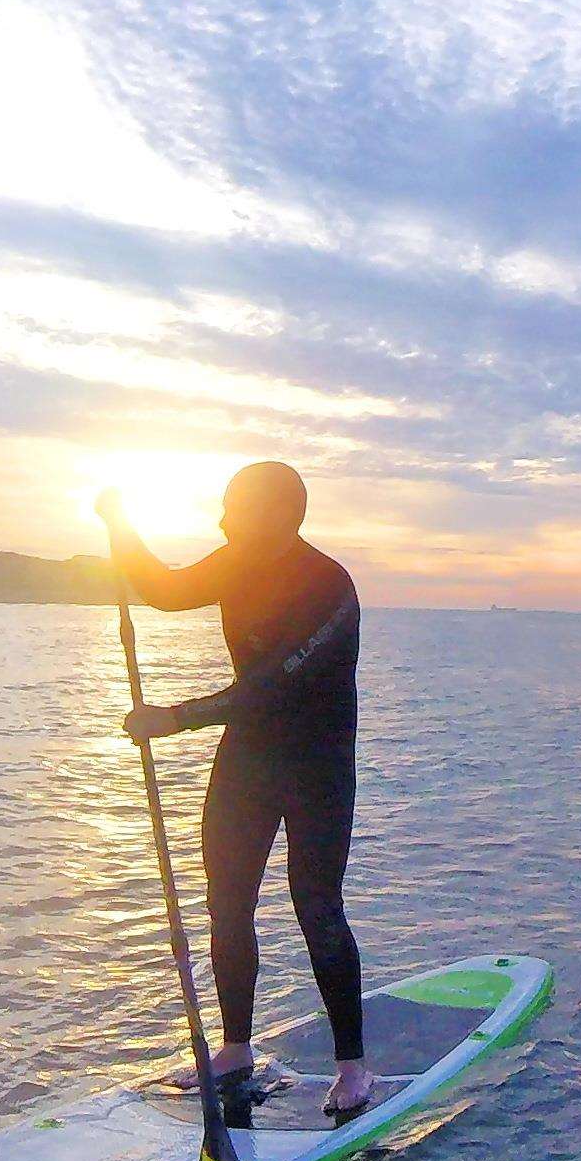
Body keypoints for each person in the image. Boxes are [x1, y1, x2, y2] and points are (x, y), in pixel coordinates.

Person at [95, 463, 373, 1116]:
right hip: (248, 759)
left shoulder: (328, 587)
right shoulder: (235, 561)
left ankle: (353, 1068)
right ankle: (235, 1049)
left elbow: (272, 684)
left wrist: (175, 716)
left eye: (233, 509)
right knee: (227, 902)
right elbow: (163, 590)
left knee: (316, 905)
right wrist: (121, 526)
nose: (221, 521)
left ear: (278, 514)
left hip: (317, 765)